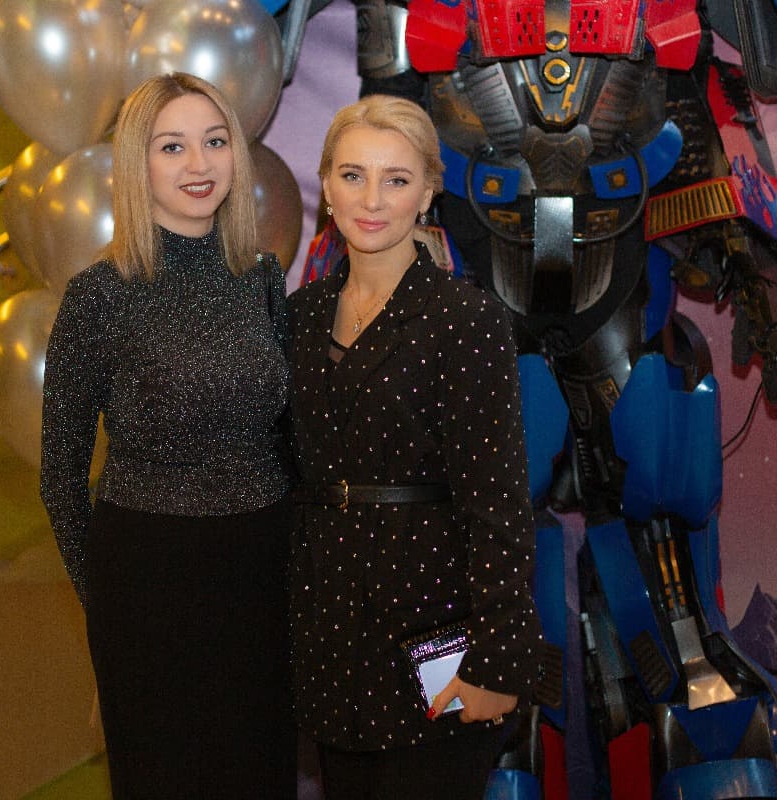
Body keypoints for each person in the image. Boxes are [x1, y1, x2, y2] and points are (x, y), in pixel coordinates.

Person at [39, 73, 295, 799]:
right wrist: (105, 604)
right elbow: (60, 476)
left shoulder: (263, 279)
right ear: (137, 162)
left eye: (215, 142)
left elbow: (287, 441)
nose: (199, 164)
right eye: (172, 146)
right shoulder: (99, 295)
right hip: (148, 582)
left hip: (262, 572)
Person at [287, 94, 539, 799]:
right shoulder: (298, 317)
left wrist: (496, 660)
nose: (372, 200)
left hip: (438, 641)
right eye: (353, 175)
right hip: (331, 643)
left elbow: (498, 502)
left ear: (428, 192)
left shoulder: (465, 317)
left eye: (396, 179)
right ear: (327, 185)